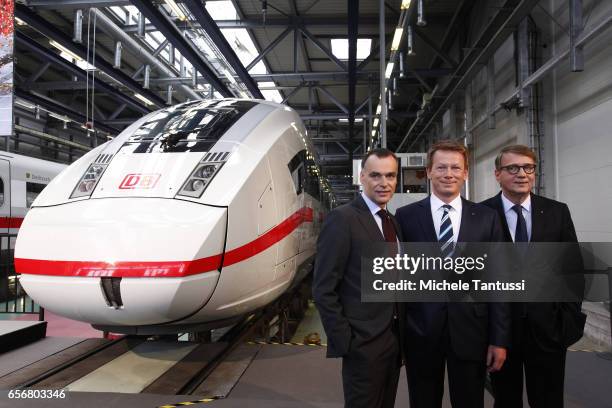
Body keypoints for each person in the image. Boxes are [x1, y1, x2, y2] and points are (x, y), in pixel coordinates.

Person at [395, 140, 510, 408]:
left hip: (472, 331)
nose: (449, 173)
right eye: (442, 167)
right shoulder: (406, 216)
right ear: (429, 172)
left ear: (466, 173)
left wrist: (499, 339)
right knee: (423, 401)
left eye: (456, 167)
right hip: (420, 331)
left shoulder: (486, 217)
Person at [482, 144, 586, 408]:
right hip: (500, 333)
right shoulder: (481, 214)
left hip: (549, 329)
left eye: (528, 167)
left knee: (549, 400)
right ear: (498, 174)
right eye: (512, 168)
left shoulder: (556, 212)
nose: (522, 174)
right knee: (505, 400)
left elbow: (571, 269)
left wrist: (567, 317)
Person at [313, 148, 402, 408]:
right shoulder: (342, 219)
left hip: (393, 340)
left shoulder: (393, 223)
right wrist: (346, 340)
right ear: (361, 176)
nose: (384, 183)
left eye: (390, 175)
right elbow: (323, 288)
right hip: (362, 343)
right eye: (376, 175)